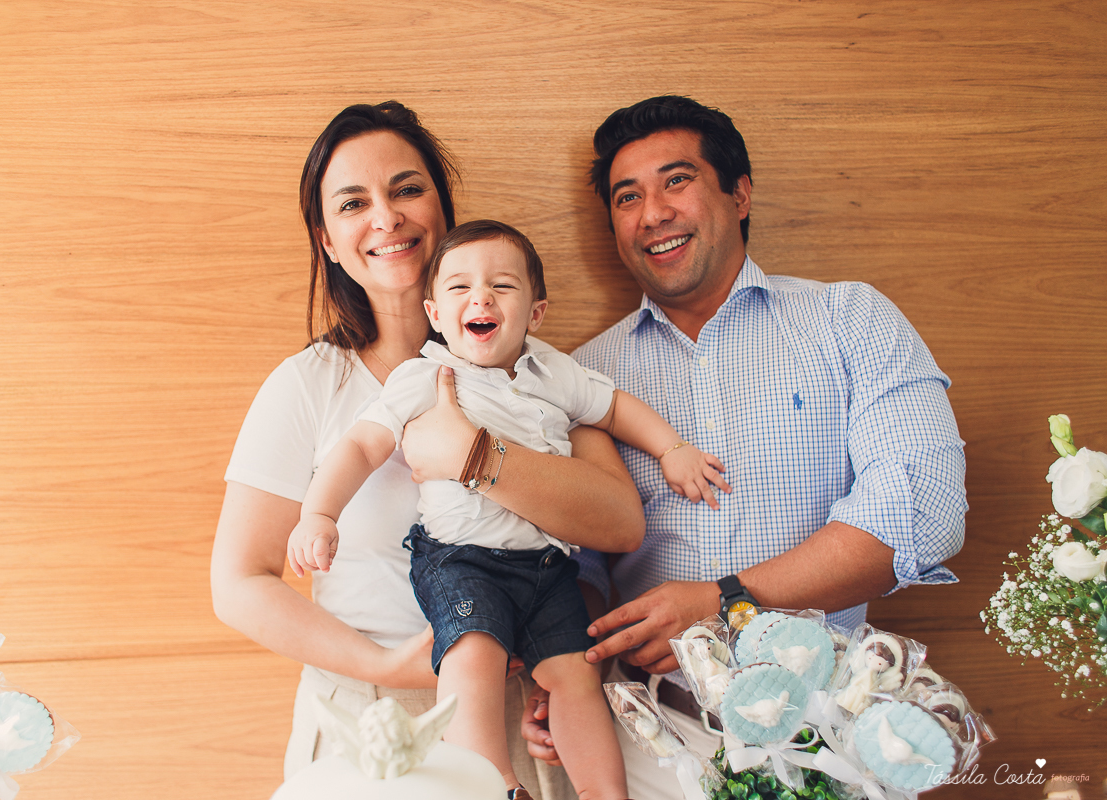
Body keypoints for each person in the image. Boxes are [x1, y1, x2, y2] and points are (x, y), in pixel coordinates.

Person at [522, 95, 967, 798]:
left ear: (740, 193)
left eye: (676, 181)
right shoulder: (582, 381)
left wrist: (726, 600)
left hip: (836, 735)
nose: (652, 213)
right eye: (627, 196)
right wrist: (562, 673)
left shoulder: (849, 320)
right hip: (651, 743)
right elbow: (573, 567)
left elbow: (922, 515)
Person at [210, 101, 646, 800]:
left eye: (406, 189)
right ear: (327, 241)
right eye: (354, 203)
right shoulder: (309, 383)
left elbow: (618, 525)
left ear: (443, 211)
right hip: (368, 724)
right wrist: (383, 666)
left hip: (525, 716)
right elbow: (239, 584)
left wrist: (474, 457)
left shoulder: (533, 369)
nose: (386, 217)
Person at [288, 219, 732, 799]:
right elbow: (362, 446)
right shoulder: (426, 375)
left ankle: (604, 793)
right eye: (460, 288)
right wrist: (320, 514)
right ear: (435, 313)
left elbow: (616, 409)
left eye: (501, 286)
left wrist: (671, 449)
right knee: (472, 656)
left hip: (547, 567)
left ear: (535, 312)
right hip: (461, 560)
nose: (481, 298)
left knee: (576, 672)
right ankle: (493, 784)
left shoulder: (554, 372)